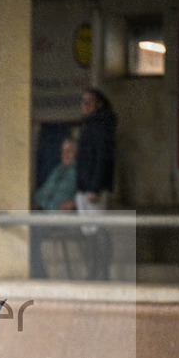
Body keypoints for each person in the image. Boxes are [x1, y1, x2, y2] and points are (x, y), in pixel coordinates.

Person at [75, 88, 117, 281]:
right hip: (84, 187)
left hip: (93, 188)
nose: (85, 106)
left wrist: (95, 187)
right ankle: (92, 271)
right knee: (88, 230)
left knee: (98, 228)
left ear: (99, 104)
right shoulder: (90, 125)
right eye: (83, 102)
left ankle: (101, 272)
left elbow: (102, 158)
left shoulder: (101, 125)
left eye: (89, 102)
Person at [29, 138, 77, 279]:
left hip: (63, 217)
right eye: (63, 151)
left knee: (32, 233)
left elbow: (87, 195)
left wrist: (74, 203)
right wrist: (33, 204)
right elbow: (43, 192)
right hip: (45, 213)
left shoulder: (79, 171)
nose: (65, 154)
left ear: (76, 153)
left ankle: (39, 276)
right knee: (22, 227)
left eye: (69, 150)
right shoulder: (58, 169)